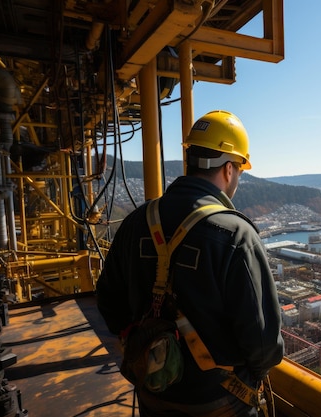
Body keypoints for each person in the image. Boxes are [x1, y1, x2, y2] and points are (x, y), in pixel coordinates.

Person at [96, 110, 284, 417]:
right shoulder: (236, 234)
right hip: (218, 401)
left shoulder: (135, 221)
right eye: (239, 170)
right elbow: (263, 344)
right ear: (227, 169)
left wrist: (144, 347)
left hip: (153, 393)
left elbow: (107, 299)